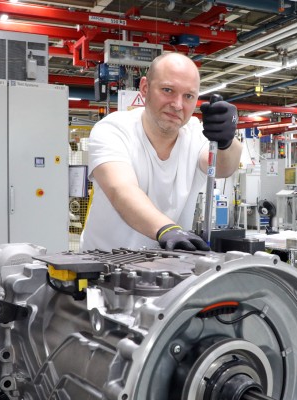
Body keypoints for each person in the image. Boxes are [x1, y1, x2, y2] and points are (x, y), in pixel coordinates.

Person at [80, 52, 241, 252]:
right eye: (168, 90)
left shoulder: (195, 133)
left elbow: (223, 168)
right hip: (102, 262)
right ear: (145, 88)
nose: (177, 105)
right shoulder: (113, 129)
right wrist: (167, 230)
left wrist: (227, 142)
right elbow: (121, 189)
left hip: (166, 264)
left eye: (188, 96)